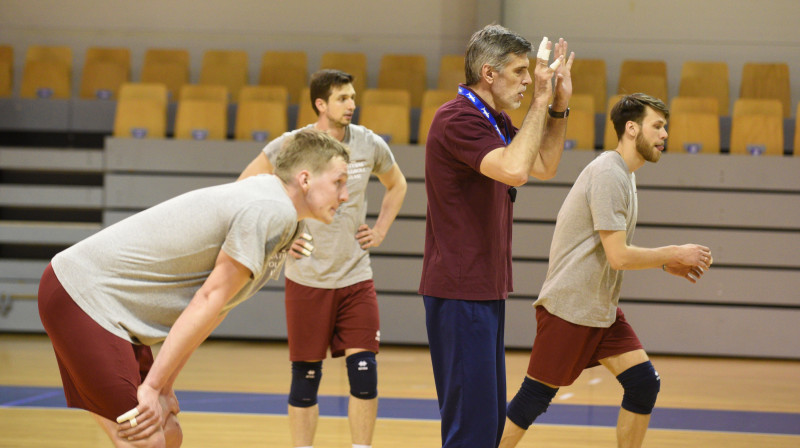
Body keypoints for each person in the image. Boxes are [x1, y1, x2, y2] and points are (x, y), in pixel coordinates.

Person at [37, 129, 351, 448]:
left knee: (169, 432)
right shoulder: (271, 210)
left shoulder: (284, 217)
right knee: (146, 439)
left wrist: (163, 385)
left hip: (110, 308)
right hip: (81, 297)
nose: (346, 195)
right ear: (305, 179)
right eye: (339, 182)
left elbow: (217, 309)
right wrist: (153, 385)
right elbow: (208, 299)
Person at [498, 93, 713, 448]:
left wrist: (664, 262)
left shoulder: (625, 175)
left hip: (600, 311)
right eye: (657, 126)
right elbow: (618, 256)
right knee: (533, 399)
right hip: (571, 309)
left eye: (665, 127)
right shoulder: (608, 173)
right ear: (631, 129)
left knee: (644, 383)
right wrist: (673, 252)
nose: (664, 134)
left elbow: (616, 253)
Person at [418, 23, 575, 448]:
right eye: (520, 71)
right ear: (489, 73)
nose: (528, 80)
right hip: (459, 291)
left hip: (483, 290)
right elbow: (514, 169)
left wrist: (557, 105)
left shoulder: (494, 119)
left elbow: (543, 165)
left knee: (486, 427)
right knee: (471, 429)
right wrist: (541, 98)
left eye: (530, 73)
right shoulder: (456, 118)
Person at [239, 69, 407, 448]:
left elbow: (397, 184)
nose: (351, 104)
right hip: (308, 279)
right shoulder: (293, 144)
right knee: (305, 379)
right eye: (342, 98)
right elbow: (246, 188)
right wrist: (279, 242)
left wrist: (379, 230)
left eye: (352, 97)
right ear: (320, 104)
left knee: (365, 374)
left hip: (355, 276)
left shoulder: (369, 144)